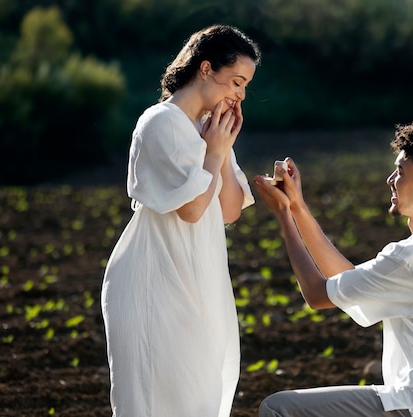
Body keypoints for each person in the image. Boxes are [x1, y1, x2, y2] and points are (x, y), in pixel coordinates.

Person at [253, 120, 413, 417]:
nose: (391, 179)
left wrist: (284, 217)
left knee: (279, 409)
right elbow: (347, 279)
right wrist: (297, 207)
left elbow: (317, 295)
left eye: (401, 172)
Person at [101, 25, 260, 417]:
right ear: (206, 69)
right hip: (154, 280)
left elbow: (229, 211)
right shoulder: (160, 122)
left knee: (199, 394)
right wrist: (213, 153)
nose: (240, 95)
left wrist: (220, 150)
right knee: (160, 397)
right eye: (236, 82)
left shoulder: (209, 131)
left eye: (245, 87)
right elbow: (190, 210)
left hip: (196, 277)